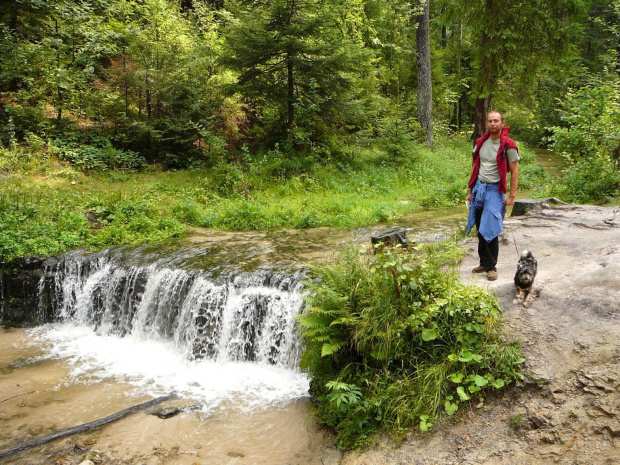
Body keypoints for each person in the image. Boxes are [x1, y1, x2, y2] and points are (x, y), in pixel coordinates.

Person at [465, 111, 519, 281]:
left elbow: (515, 171)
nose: (493, 123)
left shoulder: (508, 145)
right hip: (479, 188)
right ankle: (483, 262)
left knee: (490, 227)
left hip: (495, 190)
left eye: (496, 121)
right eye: (490, 121)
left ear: (503, 123)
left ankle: (491, 267)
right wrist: (470, 191)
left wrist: (512, 196)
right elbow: (475, 167)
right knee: (480, 226)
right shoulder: (481, 142)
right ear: (486, 123)